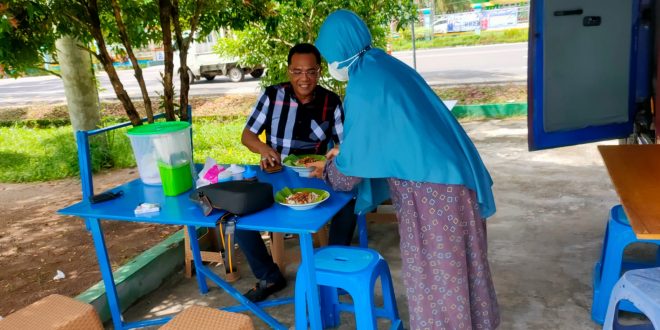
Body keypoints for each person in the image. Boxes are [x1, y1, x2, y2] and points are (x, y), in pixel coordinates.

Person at [309, 10, 500, 329]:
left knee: (438, 273)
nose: (329, 64)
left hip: (431, 188)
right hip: (451, 175)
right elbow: (389, 131)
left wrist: (328, 169)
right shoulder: (382, 65)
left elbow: (347, 175)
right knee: (463, 263)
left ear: (340, 49)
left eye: (329, 55)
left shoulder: (363, 84)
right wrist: (345, 152)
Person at [236, 43, 357, 302]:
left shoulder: (331, 102)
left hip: (317, 175)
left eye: (311, 72)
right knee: (239, 215)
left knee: (349, 201)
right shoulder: (272, 96)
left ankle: (333, 270)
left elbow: (342, 143)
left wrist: (331, 157)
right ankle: (269, 275)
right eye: (297, 71)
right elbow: (247, 135)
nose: (304, 79)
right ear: (289, 71)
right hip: (275, 174)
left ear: (319, 71)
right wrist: (264, 149)